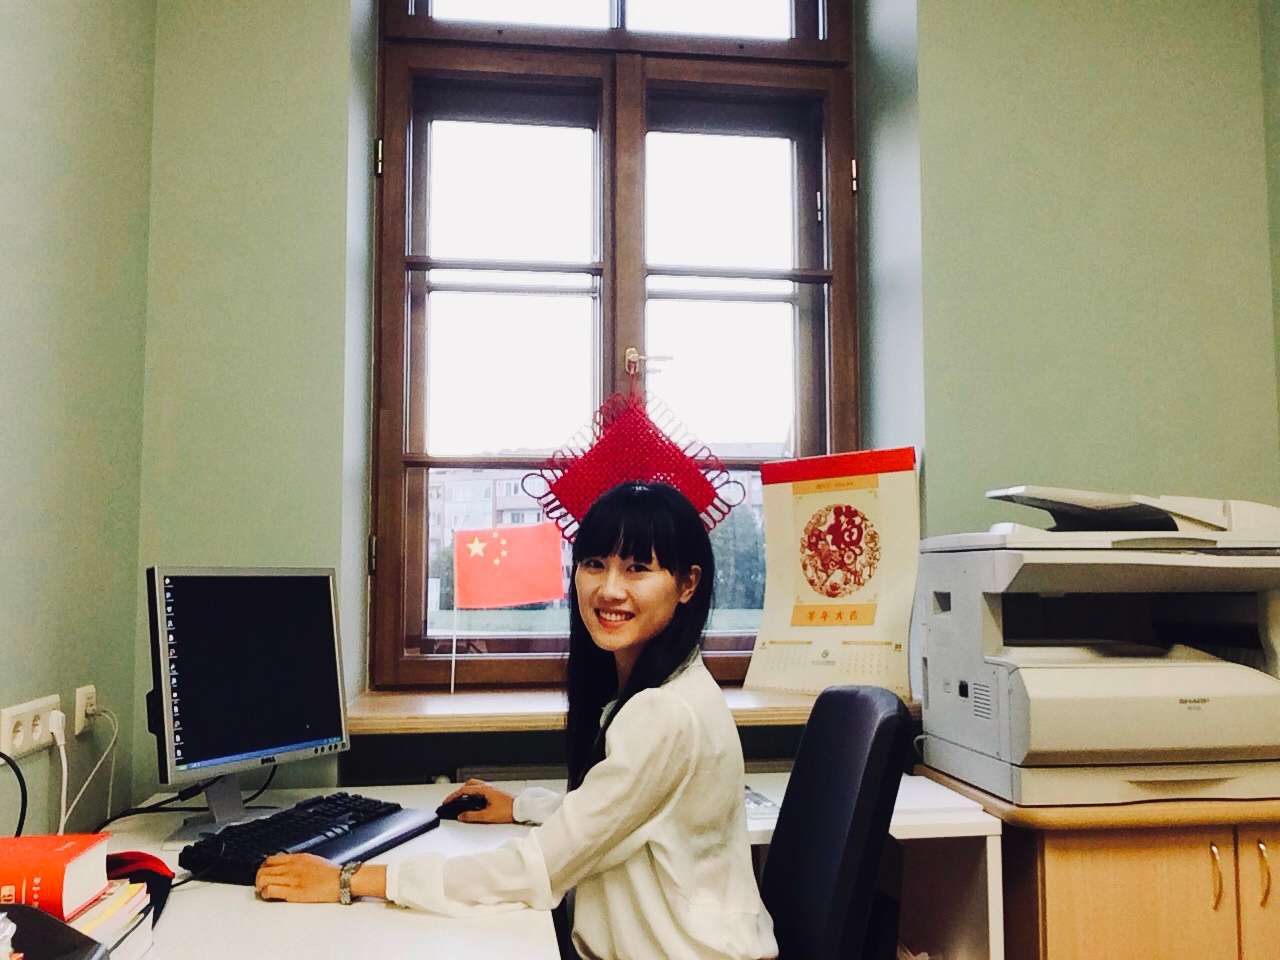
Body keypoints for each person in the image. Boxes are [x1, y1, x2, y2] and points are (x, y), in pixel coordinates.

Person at [254, 482, 778, 960]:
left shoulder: (663, 714)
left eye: (637, 568)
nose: (609, 590)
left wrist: (350, 880)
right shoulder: (673, 686)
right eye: (595, 564)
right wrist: (525, 806)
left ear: (687, 584)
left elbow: (536, 868)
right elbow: (618, 811)